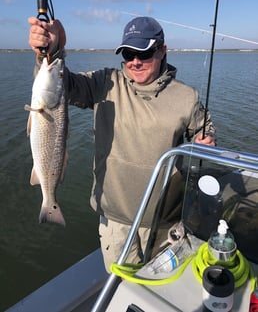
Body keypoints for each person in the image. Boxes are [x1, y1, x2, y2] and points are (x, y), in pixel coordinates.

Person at [28, 16, 216, 272]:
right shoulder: (104, 83)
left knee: (163, 291)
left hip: (166, 222)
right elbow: (61, 86)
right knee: (124, 291)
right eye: (128, 54)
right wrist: (51, 52)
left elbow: (204, 132)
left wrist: (206, 143)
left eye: (145, 53)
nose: (135, 62)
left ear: (162, 50)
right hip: (116, 223)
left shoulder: (187, 97)